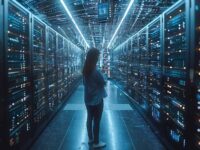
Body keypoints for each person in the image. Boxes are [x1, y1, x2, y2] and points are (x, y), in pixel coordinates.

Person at [82, 48, 107, 148]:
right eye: (97, 56)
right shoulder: (95, 71)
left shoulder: (85, 70)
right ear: (95, 58)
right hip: (97, 100)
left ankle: (90, 139)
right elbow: (103, 82)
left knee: (89, 118)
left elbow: (84, 83)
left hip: (87, 99)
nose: (98, 58)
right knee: (97, 121)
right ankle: (96, 143)